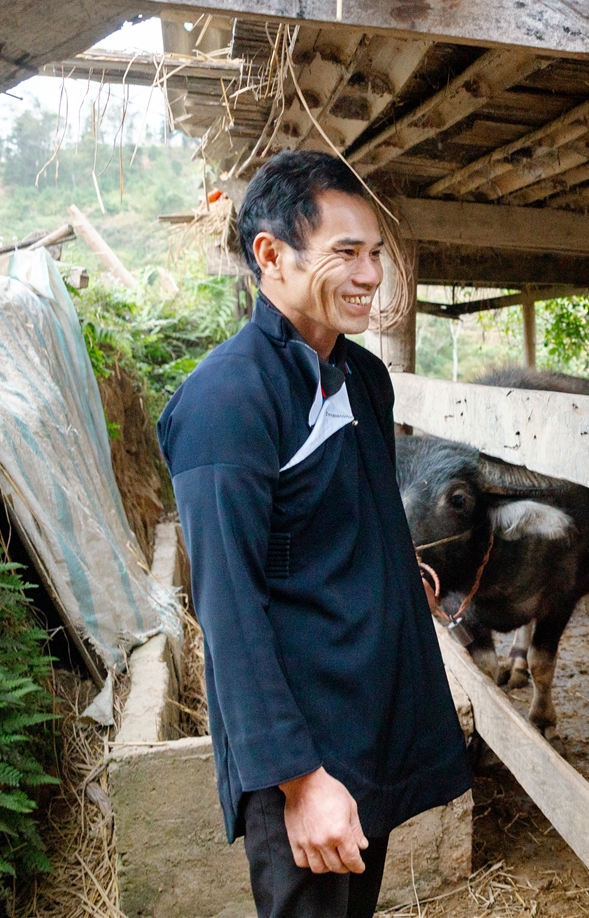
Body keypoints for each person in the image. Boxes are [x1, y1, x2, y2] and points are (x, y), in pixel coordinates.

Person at [158, 151, 471, 918]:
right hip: (304, 734)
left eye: (375, 254)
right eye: (346, 253)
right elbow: (227, 610)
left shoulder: (362, 376)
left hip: (369, 705)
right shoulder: (225, 401)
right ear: (272, 255)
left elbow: (350, 513)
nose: (371, 276)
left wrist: (402, 573)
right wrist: (299, 780)